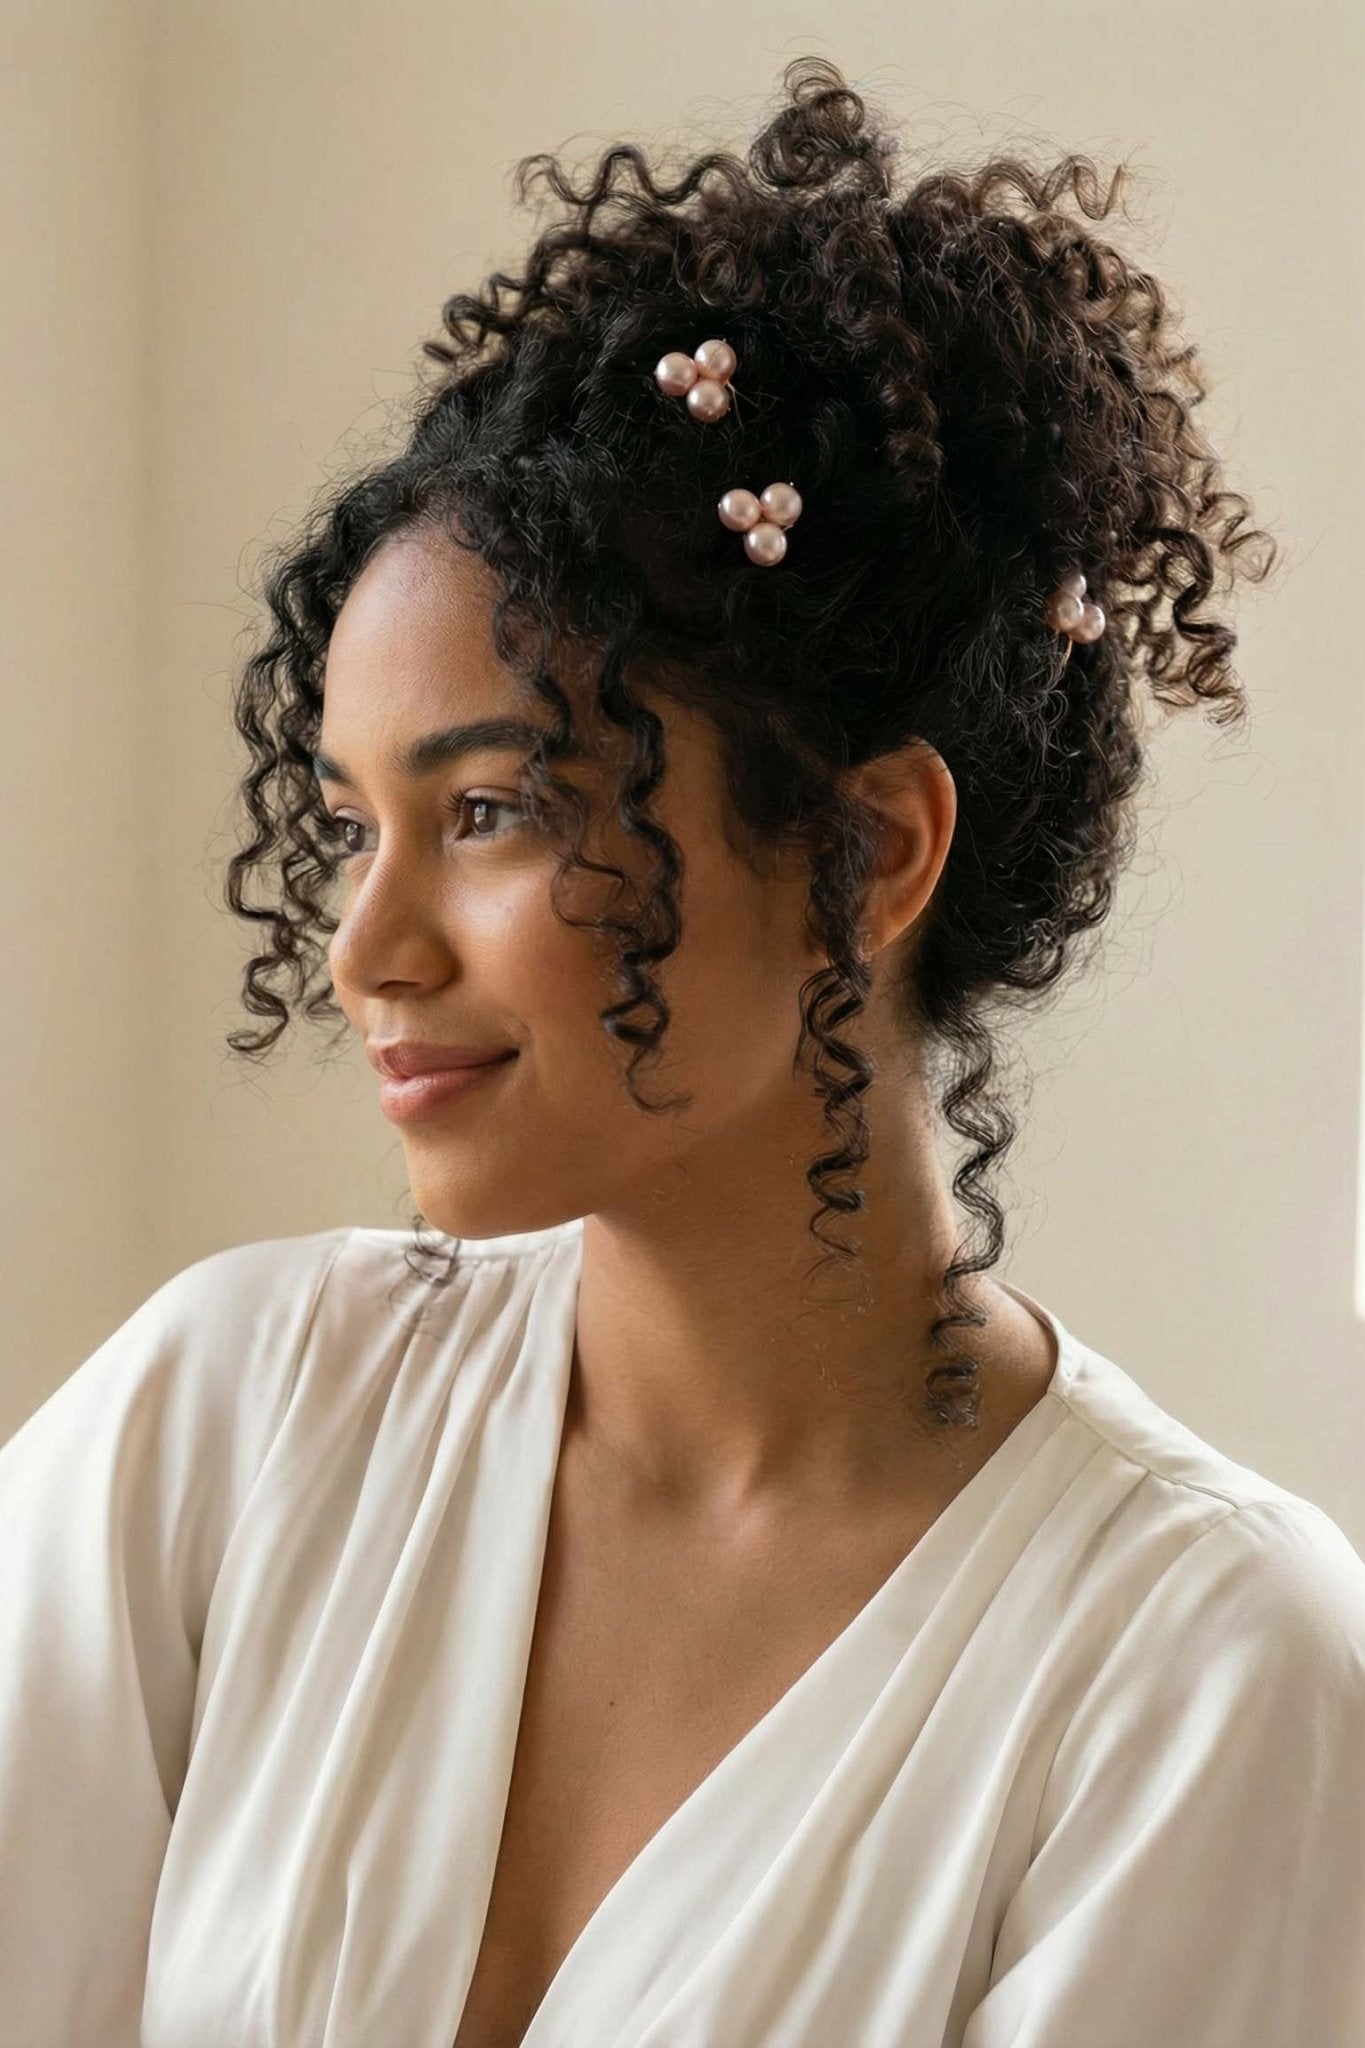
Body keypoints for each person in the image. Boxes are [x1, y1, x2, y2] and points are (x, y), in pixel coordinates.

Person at [3, 53, 1363, 2048]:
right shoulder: (228, 1421)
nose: (362, 946)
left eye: (490, 814)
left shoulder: (1198, 1675)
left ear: (866, 848)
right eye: (355, 820)